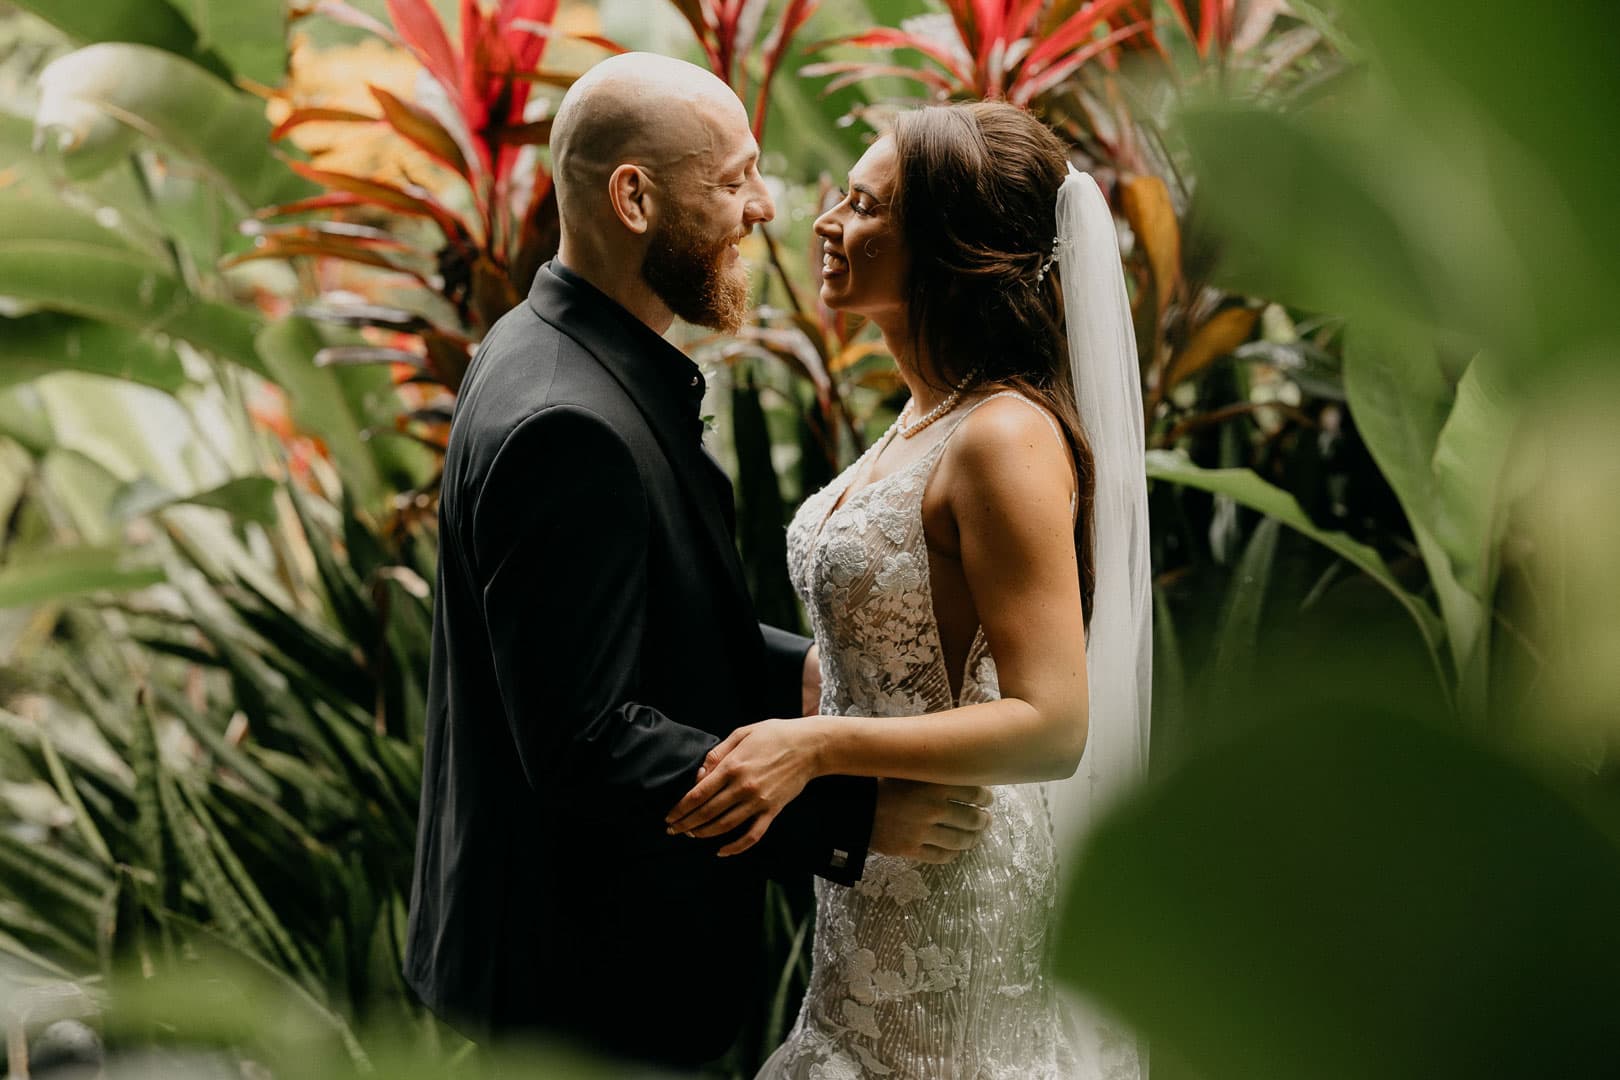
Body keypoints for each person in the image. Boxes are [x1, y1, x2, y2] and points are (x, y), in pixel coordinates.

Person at [402, 55, 996, 1073]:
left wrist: (795, 673)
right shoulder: (567, 423)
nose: (766, 208)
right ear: (634, 197)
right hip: (582, 996)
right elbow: (587, 739)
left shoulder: (546, 346)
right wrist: (851, 813)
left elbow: (621, 627)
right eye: (733, 179)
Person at [664, 102, 1153, 1078]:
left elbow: (1053, 725)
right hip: (875, 879)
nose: (827, 223)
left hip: (956, 880)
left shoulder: (1003, 437)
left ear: (950, 244)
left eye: (865, 204)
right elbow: (898, 642)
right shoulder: (922, 416)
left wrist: (820, 746)